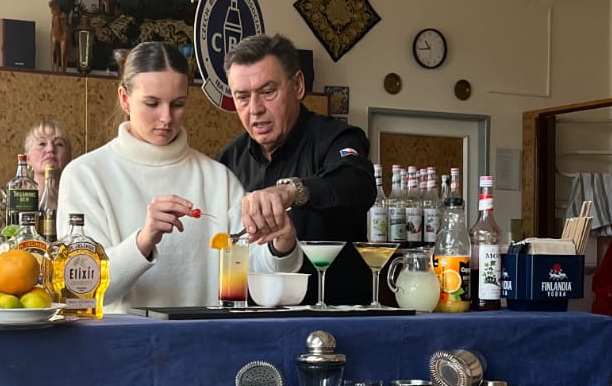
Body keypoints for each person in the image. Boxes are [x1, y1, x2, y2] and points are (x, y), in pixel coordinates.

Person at [59, 41, 302, 311]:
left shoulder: (218, 178)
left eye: (177, 104)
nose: (166, 118)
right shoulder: (85, 176)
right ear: (125, 99)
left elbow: (253, 273)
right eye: (152, 103)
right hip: (121, 338)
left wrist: (282, 246)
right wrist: (143, 241)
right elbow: (80, 291)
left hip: (206, 337)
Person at [219, 32, 376, 305]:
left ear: (298, 86)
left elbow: (358, 183)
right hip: (253, 318)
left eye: (268, 92)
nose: (255, 109)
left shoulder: (337, 138)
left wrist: (292, 191)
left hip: (335, 314)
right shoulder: (228, 160)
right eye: (242, 97)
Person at [24, 119, 72, 192]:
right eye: (42, 144)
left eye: (58, 144)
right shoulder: (15, 198)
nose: (50, 149)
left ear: (69, 156)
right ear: (27, 158)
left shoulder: (80, 196)